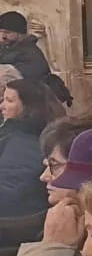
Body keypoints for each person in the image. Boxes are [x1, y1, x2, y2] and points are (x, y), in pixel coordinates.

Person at [0, 80, 61, 218]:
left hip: (13, 223)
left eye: (9, 100)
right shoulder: (17, 135)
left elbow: (10, 192)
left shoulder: (24, 141)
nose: (2, 106)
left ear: (28, 106)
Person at [0, 12, 51, 83]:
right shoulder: (7, 47)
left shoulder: (30, 54)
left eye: (7, 32)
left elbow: (12, 80)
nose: (3, 36)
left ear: (20, 33)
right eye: (0, 32)